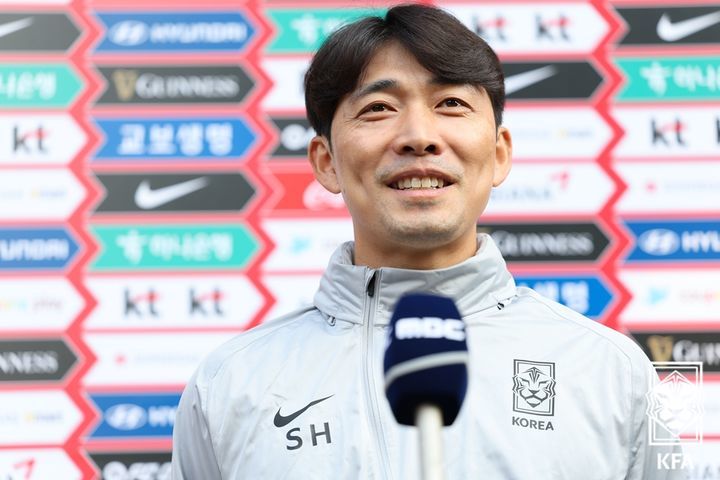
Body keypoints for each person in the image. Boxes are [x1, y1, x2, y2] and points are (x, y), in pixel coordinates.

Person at [172, 4, 685, 479]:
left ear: (500, 153)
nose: (419, 135)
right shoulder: (230, 384)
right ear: (326, 162)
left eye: (451, 103)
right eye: (378, 108)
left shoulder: (614, 372)